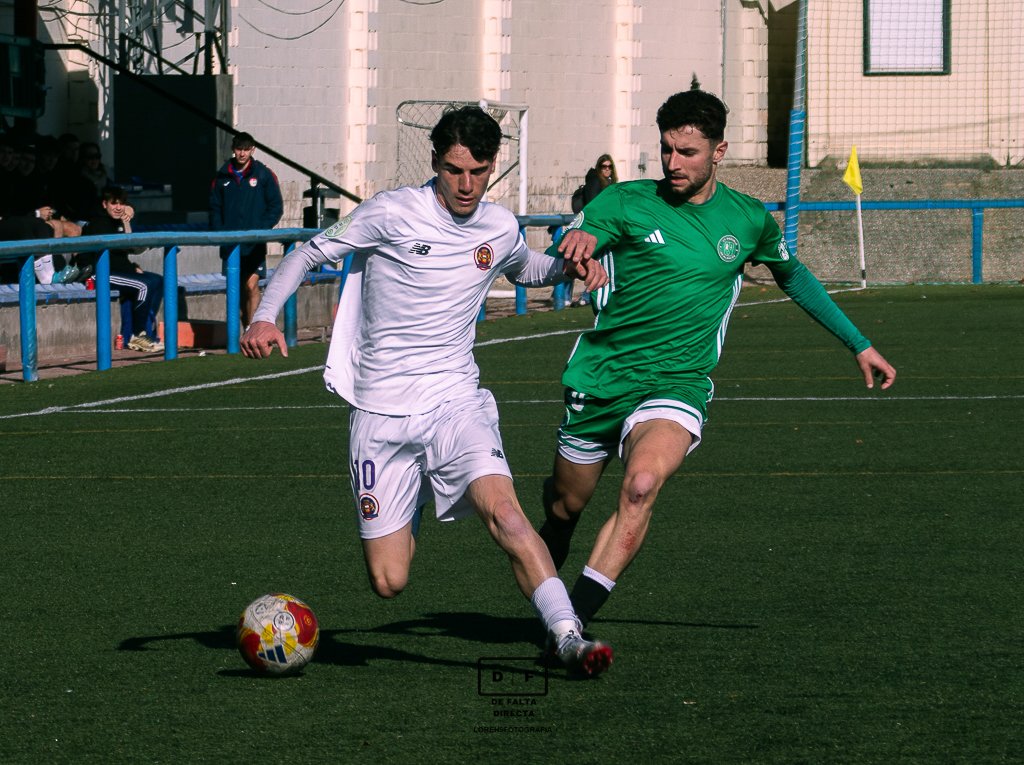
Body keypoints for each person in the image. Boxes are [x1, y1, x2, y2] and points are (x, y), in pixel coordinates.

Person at [240, 106, 614, 676]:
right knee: (389, 581)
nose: (466, 185)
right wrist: (265, 317)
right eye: (453, 170)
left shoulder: (498, 226)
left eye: (478, 171)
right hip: (381, 412)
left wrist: (570, 268)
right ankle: (410, 495)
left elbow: (525, 268)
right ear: (435, 161)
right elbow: (308, 252)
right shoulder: (391, 212)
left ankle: (568, 639)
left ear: (492, 168)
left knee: (507, 516)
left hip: (454, 400)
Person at [537, 88, 898, 631]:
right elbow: (582, 235)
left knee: (640, 486)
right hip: (602, 378)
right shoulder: (626, 200)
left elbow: (793, 276)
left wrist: (859, 343)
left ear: (720, 151)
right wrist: (578, 250)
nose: (673, 163)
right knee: (565, 508)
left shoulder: (748, 220)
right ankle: (550, 561)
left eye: (688, 153)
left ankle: (571, 622)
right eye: (666, 150)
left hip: (677, 383)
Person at [209, 132, 283, 329]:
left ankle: (252, 330)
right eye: (239, 149)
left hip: (254, 244)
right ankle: (241, 330)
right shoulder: (222, 175)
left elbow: (275, 206)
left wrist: (261, 230)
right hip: (230, 244)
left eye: (246, 149)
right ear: (234, 150)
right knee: (237, 289)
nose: (242, 153)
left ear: (253, 150)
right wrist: (220, 232)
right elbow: (214, 207)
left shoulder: (263, 174)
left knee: (251, 285)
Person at [81, 186, 165, 353]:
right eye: (114, 203)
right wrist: (131, 269)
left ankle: (144, 332)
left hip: (118, 270)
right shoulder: (98, 222)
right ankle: (137, 335)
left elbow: (125, 249)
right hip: (98, 274)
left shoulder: (116, 221)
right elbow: (112, 256)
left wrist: (126, 220)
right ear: (105, 204)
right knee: (143, 285)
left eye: (122, 203)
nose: (118, 207)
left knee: (157, 281)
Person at [566, 154, 619, 306]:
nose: (607, 170)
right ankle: (583, 296)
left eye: (610, 167)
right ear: (599, 167)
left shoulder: (610, 183)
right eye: (604, 167)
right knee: (582, 261)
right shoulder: (595, 182)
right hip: (595, 229)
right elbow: (593, 206)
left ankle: (584, 295)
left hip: (605, 227)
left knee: (592, 263)